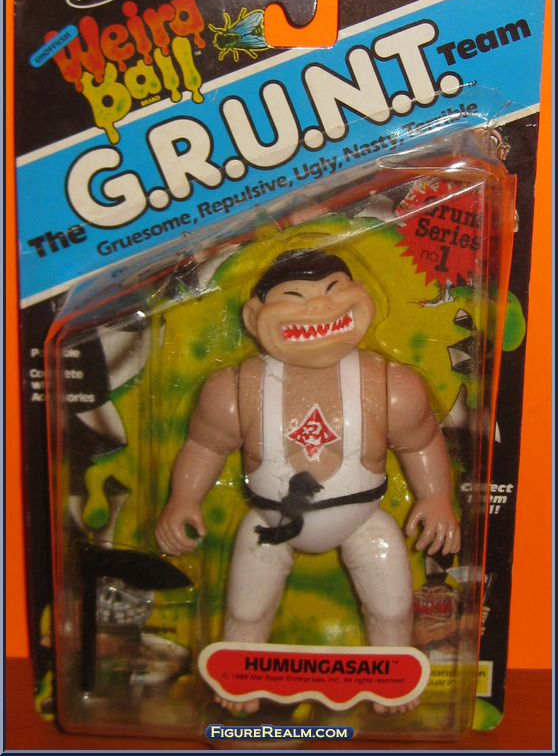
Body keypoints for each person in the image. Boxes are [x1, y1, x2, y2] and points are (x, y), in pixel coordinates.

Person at [156, 248, 460, 713]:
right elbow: (205, 447)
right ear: (254, 317)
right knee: (247, 608)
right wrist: (183, 498)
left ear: (361, 297)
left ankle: (391, 672)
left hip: (362, 518)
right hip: (270, 521)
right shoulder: (237, 388)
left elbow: (421, 442)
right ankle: (239, 675)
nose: (319, 306)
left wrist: (436, 497)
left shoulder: (387, 384)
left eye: (333, 291)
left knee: (392, 604)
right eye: (295, 297)